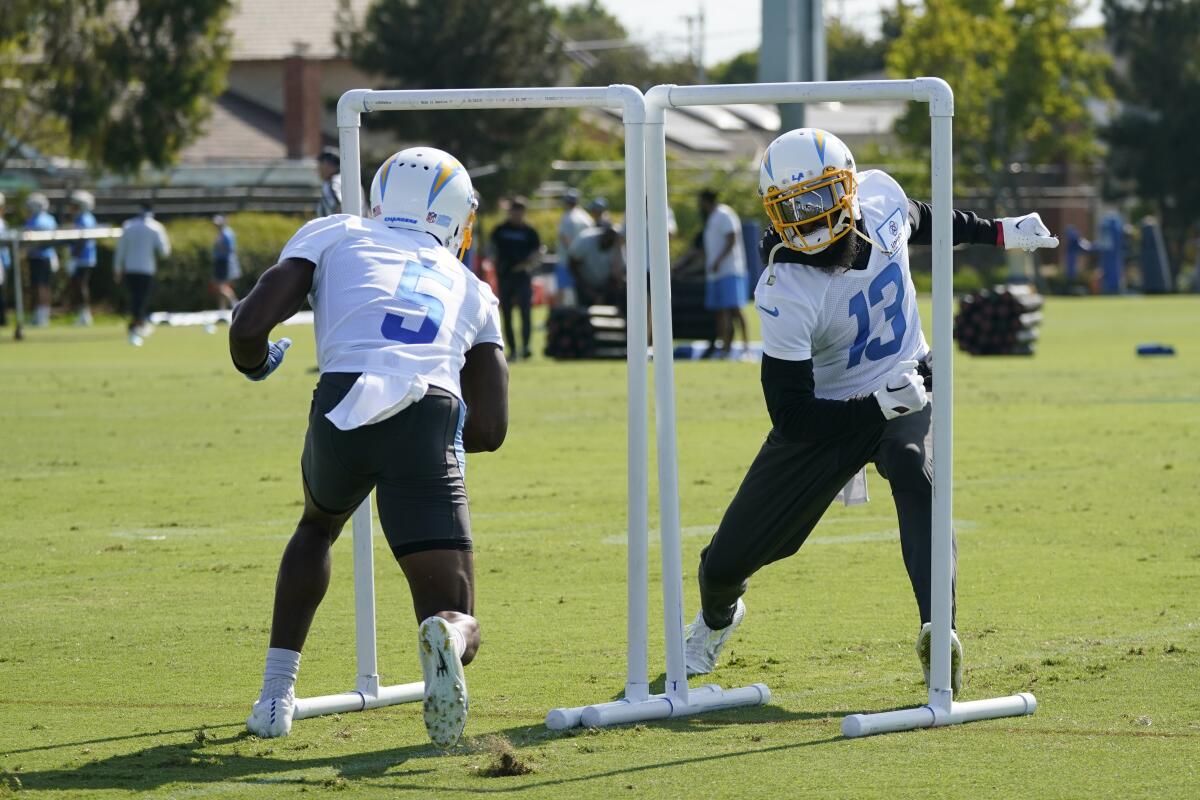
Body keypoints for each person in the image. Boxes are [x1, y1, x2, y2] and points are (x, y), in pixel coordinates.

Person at [683, 128, 1060, 695]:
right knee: (722, 564)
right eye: (792, 208)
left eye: (818, 199)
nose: (808, 220)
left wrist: (1000, 232)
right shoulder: (785, 286)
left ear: (849, 188)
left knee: (914, 465)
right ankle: (717, 619)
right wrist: (872, 407)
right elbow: (791, 415)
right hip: (829, 412)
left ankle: (940, 632)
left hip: (906, 378)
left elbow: (925, 219)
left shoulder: (880, 198)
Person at [232, 145, 508, 749]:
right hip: (427, 407)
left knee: (316, 527)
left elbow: (249, 326)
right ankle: (448, 635)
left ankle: (275, 696)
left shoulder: (336, 231)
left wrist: (255, 363)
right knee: (456, 613)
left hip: (343, 397)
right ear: (457, 216)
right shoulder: (472, 285)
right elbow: (490, 429)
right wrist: (440, 444)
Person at [488, 197, 541, 360]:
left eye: (520, 211)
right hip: (505, 275)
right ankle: (512, 350)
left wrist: (526, 263)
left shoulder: (529, 231)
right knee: (507, 314)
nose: (517, 214)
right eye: (514, 211)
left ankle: (526, 347)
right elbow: (491, 249)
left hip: (523, 275)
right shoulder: (500, 230)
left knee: (525, 312)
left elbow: (537, 251)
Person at [699, 189, 750, 358]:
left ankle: (746, 348)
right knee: (721, 311)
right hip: (715, 273)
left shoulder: (725, 213)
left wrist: (719, 261)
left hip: (730, 269)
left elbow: (731, 239)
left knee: (735, 309)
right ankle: (725, 349)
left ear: (706, 201)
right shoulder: (711, 218)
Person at [113, 204, 171, 346]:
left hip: (130, 268)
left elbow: (120, 249)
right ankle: (137, 325)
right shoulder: (156, 227)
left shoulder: (128, 225)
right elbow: (164, 251)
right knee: (141, 298)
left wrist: (117, 268)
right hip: (146, 269)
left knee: (135, 298)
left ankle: (136, 324)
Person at [568, 223, 625, 307]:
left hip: (604, 287)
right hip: (583, 283)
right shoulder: (586, 239)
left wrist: (604, 294)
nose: (608, 242)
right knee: (583, 312)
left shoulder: (616, 247)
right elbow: (572, 263)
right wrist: (587, 289)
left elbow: (617, 274)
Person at [555, 189, 593, 306]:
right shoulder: (586, 217)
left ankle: (559, 313)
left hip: (566, 259)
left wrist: (573, 253)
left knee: (561, 289)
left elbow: (564, 237)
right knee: (579, 288)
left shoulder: (567, 217)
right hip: (582, 261)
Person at [24, 193, 57, 328]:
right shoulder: (50, 219)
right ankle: (42, 314)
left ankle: (40, 315)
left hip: (39, 258)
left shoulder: (37, 220)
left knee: (40, 286)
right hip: (47, 257)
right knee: (43, 285)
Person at [67, 190, 98, 326]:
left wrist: (74, 257)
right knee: (78, 285)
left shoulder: (84, 218)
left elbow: (82, 240)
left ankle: (85, 314)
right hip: (81, 257)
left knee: (81, 285)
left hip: (83, 258)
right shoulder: (81, 217)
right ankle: (83, 313)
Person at [210, 215, 240, 315]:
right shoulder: (222, 233)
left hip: (224, 262)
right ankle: (222, 310)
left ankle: (235, 304)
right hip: (221, 262)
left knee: (221, 287)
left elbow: (229, 249)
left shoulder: (226, 234)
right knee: (221, 288)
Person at [315, 147, 343, 217]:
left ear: (331, 167)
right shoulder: (330, 182)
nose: (318, 168)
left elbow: (341, 207)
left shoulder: (335, 182)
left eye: (321, 164)